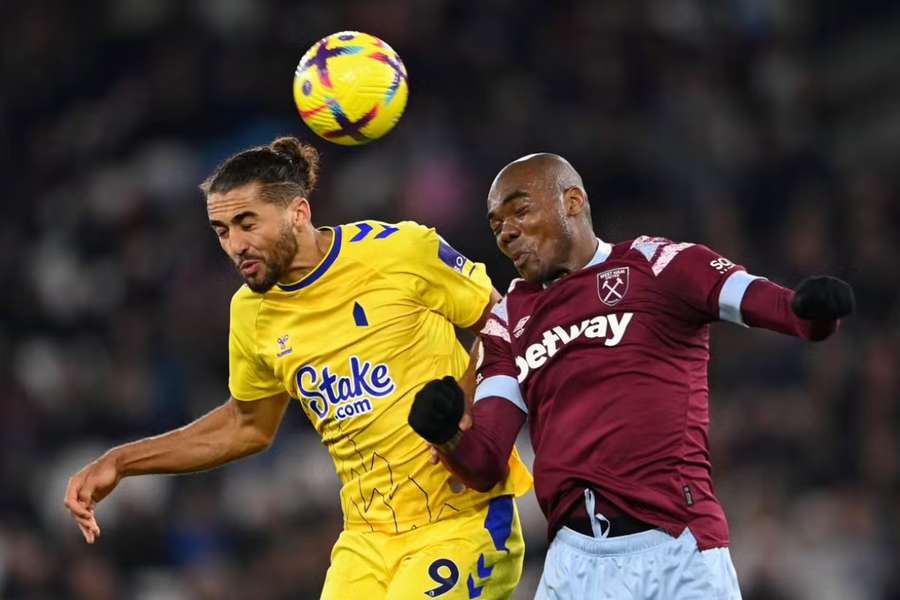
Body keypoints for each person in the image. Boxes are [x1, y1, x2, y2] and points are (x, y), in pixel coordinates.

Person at [64, 136, 532, 599]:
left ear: (299, 213)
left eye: (248, 223)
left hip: (462, 521)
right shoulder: (250, 314)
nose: (235, 246)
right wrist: (122, 462)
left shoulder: (399, 251)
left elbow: (502, 318)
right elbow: (247, 426)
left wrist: (466, 402)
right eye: (222, 230)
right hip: (367, 540)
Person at [407, 153, 855, 599]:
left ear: (573, 202)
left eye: (520, 211)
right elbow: (485, 461)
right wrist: (446, 433)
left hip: (675, 552)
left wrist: (813, 315)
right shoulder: (508, 321)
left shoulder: (659, 266)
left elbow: (772, 305)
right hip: (572, 563)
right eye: (496, 225)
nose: (506, 232)